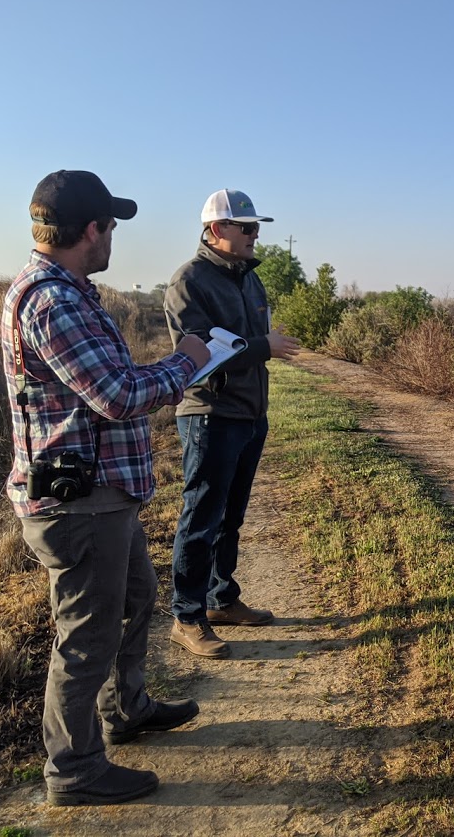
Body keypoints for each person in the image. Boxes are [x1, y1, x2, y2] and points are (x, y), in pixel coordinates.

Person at [1, 170, 212, 806]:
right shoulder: (53, 302)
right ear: (89, 230)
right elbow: (118, 396)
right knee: (86, 633)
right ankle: (74, 771)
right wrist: (189, 363)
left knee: (138, 595)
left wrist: (172, 365)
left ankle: (129, 708)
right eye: (112, 226)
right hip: (79, 502)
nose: (115, 236)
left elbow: (109, 379)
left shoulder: (73, 292)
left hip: (101, 494)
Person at [163, 189, 300, 659]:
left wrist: (260, 348)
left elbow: (247, 342)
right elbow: (197, 354)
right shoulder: (190, 281)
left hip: (248, 414)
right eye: (246, 227)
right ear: (217, 229)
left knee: (231, 517)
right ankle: (187, 616)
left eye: (257, 227)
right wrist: (264, 346)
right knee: (201, 517)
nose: (255, 234)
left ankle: (222, 599)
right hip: (209, 415)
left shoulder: (249, 280)